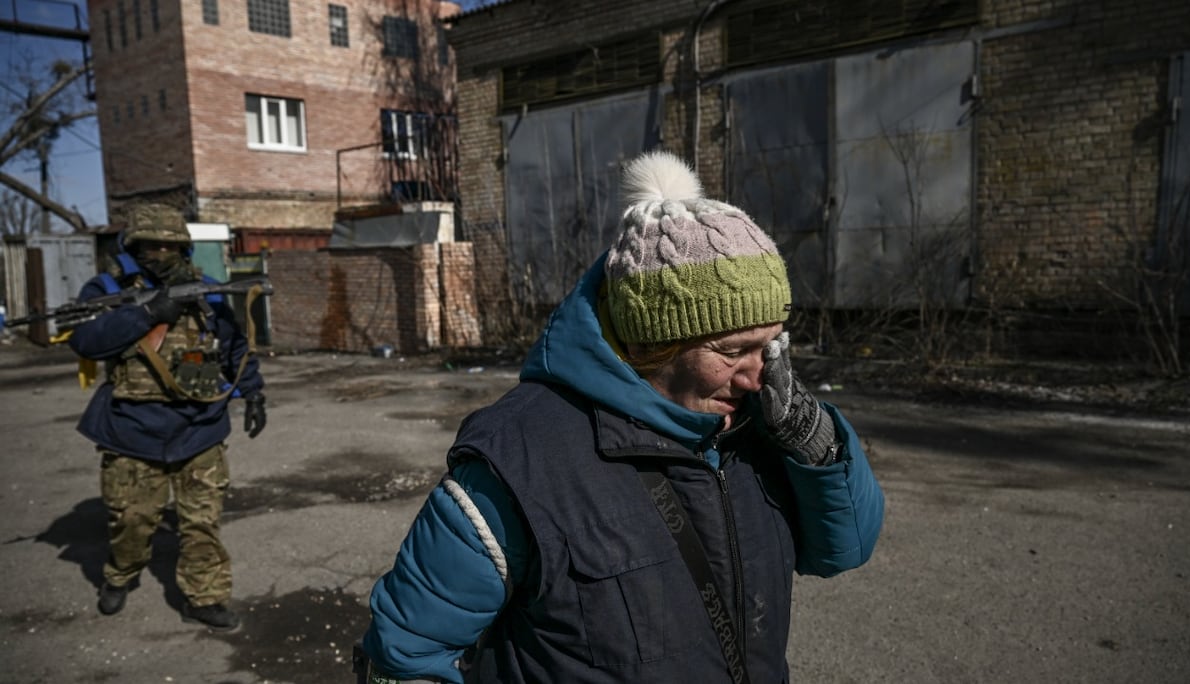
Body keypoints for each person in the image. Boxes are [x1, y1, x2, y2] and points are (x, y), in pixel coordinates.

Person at [360, 151, 884, 682]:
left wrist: (812, 440)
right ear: (652, 343)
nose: (759, 376)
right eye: (731, 350)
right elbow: (405, 653)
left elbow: (845, 549)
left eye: (772, 344)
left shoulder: (760, 422)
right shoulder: (519, 459)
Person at [68, 203, 267, 631]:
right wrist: (147, 314)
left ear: (183, 247)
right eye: (149, 245)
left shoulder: (208, 292)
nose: (159, 252)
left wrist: (253, 392)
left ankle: (204, 596)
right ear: (132, 246)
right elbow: (85, 340)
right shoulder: (106, 289)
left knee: (201, 524)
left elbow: (234, 347)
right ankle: (120, 575)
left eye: (169, 245)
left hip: (200, 429)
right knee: (131, 521)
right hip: (131, 430)